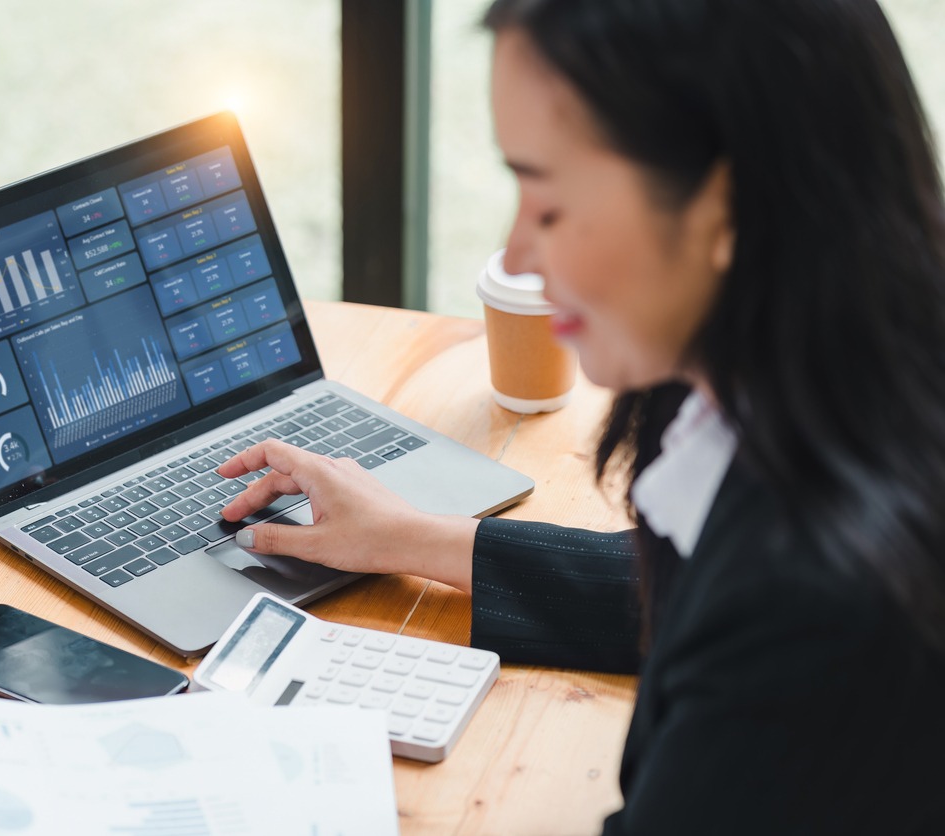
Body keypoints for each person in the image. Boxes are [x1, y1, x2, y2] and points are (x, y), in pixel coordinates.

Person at [214, 0, 945, 832]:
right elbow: (690, 583)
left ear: (727, 207)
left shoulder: (822, 616)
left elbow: (753, 617)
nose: (518, 252)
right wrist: (409, 536)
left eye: (549, 203)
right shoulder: (803, 396)